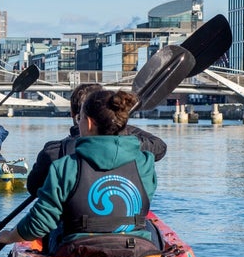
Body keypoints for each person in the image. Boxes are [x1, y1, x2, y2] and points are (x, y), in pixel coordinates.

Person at [0, 88, 160, 257]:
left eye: (79, 118)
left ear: (88, 123)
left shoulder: (65, 166)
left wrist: (9, 236)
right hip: (137, 251)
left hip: (78, 251)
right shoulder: (145, 163)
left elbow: (39, 224)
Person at [25, 82, 166, 197]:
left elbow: (34, 189)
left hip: (74, 226)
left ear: (74, 114)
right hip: (127, 225)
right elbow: (159, 148)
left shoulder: (54, 153)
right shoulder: (139, 154)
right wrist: (122, 136)